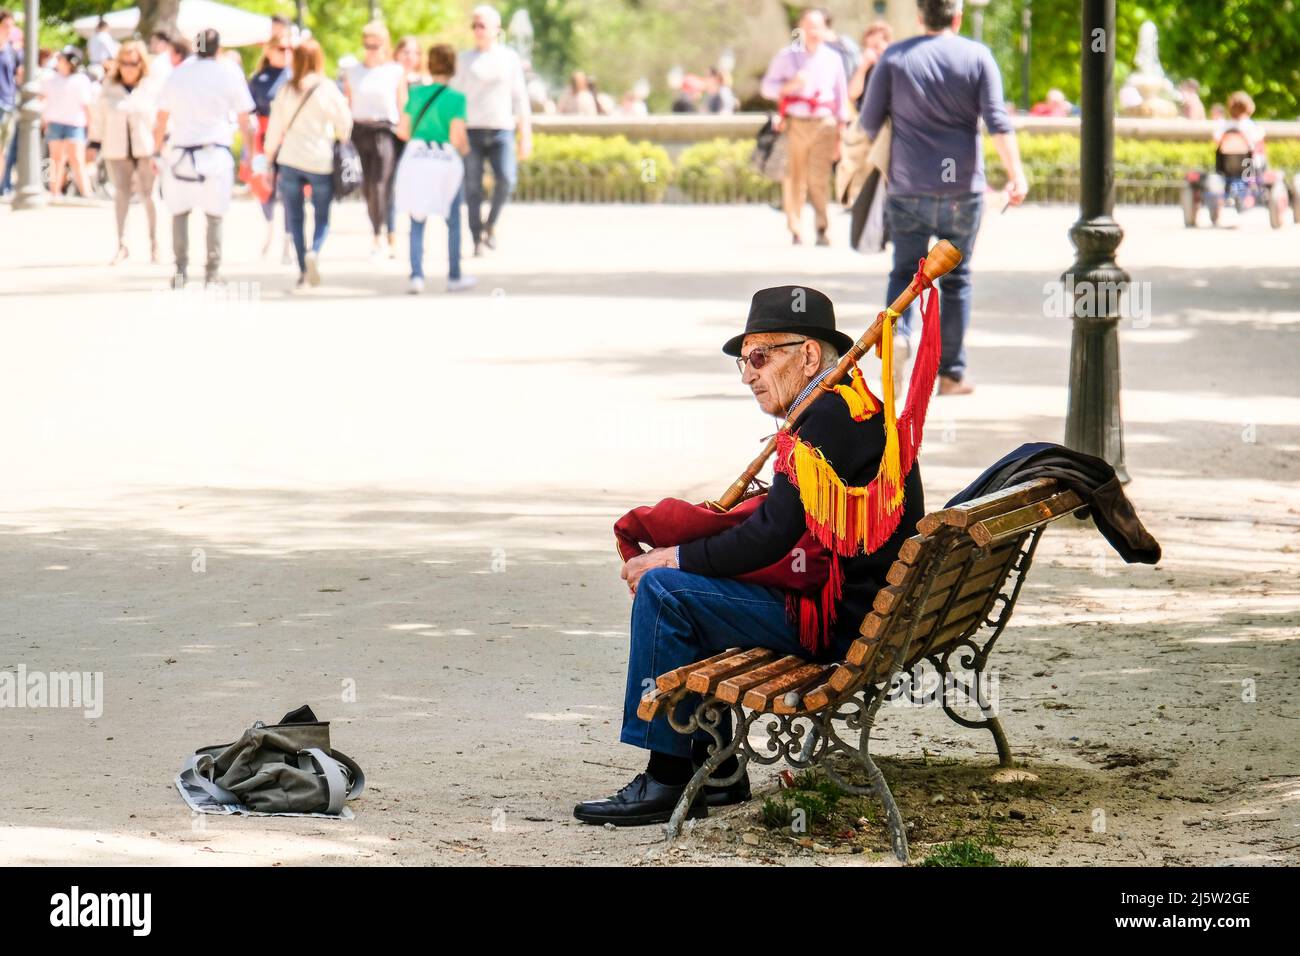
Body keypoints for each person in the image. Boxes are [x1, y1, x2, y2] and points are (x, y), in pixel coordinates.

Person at [574, 287, 925, 825]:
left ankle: (667, 777)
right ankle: (718, 773)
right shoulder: (856, 405)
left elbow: (769, 536)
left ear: (808, 354)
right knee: (692, 596)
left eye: (761, 357)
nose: (748, 375)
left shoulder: (824, 421)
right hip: (872, 615)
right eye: (745, 361)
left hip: (838, 626)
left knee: (666, 595)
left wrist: (673, 558)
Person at [859, 0, 1029, 396]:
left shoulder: (894, 58)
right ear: (958, 16)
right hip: (962, 190)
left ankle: (900, 335)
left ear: (919, 17)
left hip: (906, 186)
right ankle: (950, 374)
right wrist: (1016, 175)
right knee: (956, 280)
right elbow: (997, 122)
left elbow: (868, 122)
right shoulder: (978, 57)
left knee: (904, 274)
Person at [154, 28, 254, 286]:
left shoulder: (179, 74)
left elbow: (161, 117)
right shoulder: (229, 72)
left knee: (180, 212)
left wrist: (157, 151)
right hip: (215, 151)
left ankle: (180, 270)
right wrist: (250, 154)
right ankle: (212, 271)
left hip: (181, 152)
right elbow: (245, 118)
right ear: (218, 48)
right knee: (215, 213)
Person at [263, 39, 351, 290]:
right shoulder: (327, 88)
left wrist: (268, 159)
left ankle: (302, 269)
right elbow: (344, 121)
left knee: (295, 217)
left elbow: (274, 129)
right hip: (319, 159)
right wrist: (341, 139)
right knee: (322, 214)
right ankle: (315, 250)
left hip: (290, 158)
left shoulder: (285, 90)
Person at [759, 7, 849, 246]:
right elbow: (767, 88)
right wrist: (790, 85)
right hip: (796, 122)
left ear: (825, 29)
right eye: (808, 27)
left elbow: (841, 97)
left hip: (824, 123)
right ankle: (796, 228)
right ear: (800, 28)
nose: (813, 32)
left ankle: (822, 227)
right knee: (794, 177)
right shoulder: (786, 56)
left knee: (819, 177)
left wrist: (842, 130)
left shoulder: (833, 58)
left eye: (817, 27)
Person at [451, 4, 532, 257]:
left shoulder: (509, 59)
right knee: (472, 186)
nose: (477, 30)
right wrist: (457, 132)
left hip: (502, 130)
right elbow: (455, 99)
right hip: (472, 130)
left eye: (482, 25)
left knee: (507, 178)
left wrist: (525, 133)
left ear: (496, 29)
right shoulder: (464, 60)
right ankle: (476, 236)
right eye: (474, 25)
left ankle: (491, 224)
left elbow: (520, 98)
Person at [396, 42, 475, 295]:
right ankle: (454, 276)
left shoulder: (416, 94)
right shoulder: (457, 99)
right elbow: (457, 137)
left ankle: (417, 275)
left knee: (417, 218)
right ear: (454, 67)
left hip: (418, 159)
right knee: (453, 220)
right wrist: (467, 154)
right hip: (443, 162)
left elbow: (403, 130)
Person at [87, 40, 158, 263]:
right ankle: (122, 244)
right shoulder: (109, 87)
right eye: (125, 63)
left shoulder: (150, 86)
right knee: (122, 195)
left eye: (133, 63)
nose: (129, 67)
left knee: (149, 196)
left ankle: (154, 244)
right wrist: (93, 144)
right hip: (116, 148)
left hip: (145, 148)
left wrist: (162, 146)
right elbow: (98, 119)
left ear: (141, 64)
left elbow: (161, 119)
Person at [344, 20, 407, 261]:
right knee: (367, 187)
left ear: (385, 45)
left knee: (381, 184)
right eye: (367, 45)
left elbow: (402, 105)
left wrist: (406, 133)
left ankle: (380, 235)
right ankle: (379, 231)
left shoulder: (394, 71)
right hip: (359, 131)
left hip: (385, 131)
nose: (371, 50)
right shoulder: (353, 72)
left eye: (376, 45)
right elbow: (348, 105)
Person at [247, 31, 291, 259]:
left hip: (288, 139)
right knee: (263, 187)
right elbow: (249, 108)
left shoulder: (293, 76)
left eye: (288, 49)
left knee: (288, 188)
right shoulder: (259, 79)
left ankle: (287, 238)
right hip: (263, 140)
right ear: (270, 50)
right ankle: (270, 228)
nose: (286, 53)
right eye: (281, 49)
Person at [42, 46, 95, 199]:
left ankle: (86, 192)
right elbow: (44, 99)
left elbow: (86, 105)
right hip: (55, 121)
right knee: (56, 159)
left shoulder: (80, 80)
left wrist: (91, 126)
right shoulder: (51, 79)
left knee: (77, 159)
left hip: (75, 123)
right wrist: (44, 120)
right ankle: (54, 192)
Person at [848, 21, 892, 112]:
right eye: (870, 48)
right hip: (865, 115)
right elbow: (852, 94)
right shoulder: (860, 64)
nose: (874, 52)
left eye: (877, 46)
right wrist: (864, 67)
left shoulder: (893, 64)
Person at [0, 9, 22, 195]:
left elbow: (17, 75)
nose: (9, 30)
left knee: (3, 150)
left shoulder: (12, 51)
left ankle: (1, 187)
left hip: (8, 104)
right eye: (6, 26)